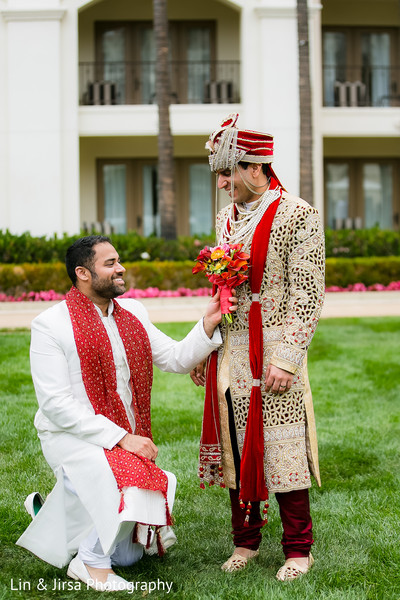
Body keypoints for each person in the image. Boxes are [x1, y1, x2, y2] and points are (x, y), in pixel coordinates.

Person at [17, 235, 234, 592]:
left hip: (122, 437)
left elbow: (177, 358)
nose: (121, 269)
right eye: (110, 263)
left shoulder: (134, 313)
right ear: (82, 273)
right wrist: (122, 438)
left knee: (131, 556)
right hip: (70, 436)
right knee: (137, 479)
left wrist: (208, 323)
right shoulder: (51, 324)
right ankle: (90, 564)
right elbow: (55, 405)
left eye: (119, 260)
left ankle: (52, 517)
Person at [190, 114, 325, 581]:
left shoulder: (298, 214)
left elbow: (306, 294)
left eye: (228, 173)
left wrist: (287, 357)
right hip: (232, 352)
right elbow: (223, 290)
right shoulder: (227, 218)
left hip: (273, 353)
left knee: (282, 448)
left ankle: (298, 549)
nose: (222, 183)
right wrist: (208, 347)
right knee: (234, 444)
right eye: (218, 175)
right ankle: (245, 543)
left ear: (254, 168)